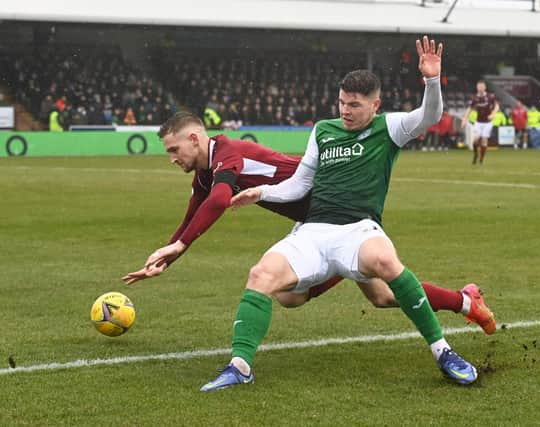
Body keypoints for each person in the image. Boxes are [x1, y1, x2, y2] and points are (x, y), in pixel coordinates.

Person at [198, 36, 481, 391]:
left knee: (387, 262)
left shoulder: (388, 128)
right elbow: (301, 184)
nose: (346, 110)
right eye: (342, 102)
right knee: (261, 275)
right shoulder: (323, 130)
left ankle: (443, 352)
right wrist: (262, 193)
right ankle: (239, 366)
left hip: (358, 231)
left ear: (375, 105)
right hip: (313, 232)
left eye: (355, 105)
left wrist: (432, 80)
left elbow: (430, 115)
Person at [122, 111, 495, 330]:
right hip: (316, 221)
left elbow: (220, 200)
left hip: (336, 211)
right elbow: (193, 216)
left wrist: (181, 245)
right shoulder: (204, 174)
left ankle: (342, 263)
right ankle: (466, 302)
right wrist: (167, 256)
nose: (171, 157)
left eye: (174, 149)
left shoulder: (227, 152)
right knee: (380, 296)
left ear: (193, 138)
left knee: (291, 295)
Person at [461, 80, 499, 164]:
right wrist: (464, 119)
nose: (480, 88)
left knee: (484, 140)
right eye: (479, 87)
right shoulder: (475, 98)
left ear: (485, 87)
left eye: (482, 86)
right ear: (477, 88)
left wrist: (493, 114)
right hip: (478, 122)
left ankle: (481, 159)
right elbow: (469, 109)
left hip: (488, 123)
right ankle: (475, 155)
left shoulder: (490, 96)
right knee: (475, 140)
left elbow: (496, 106)